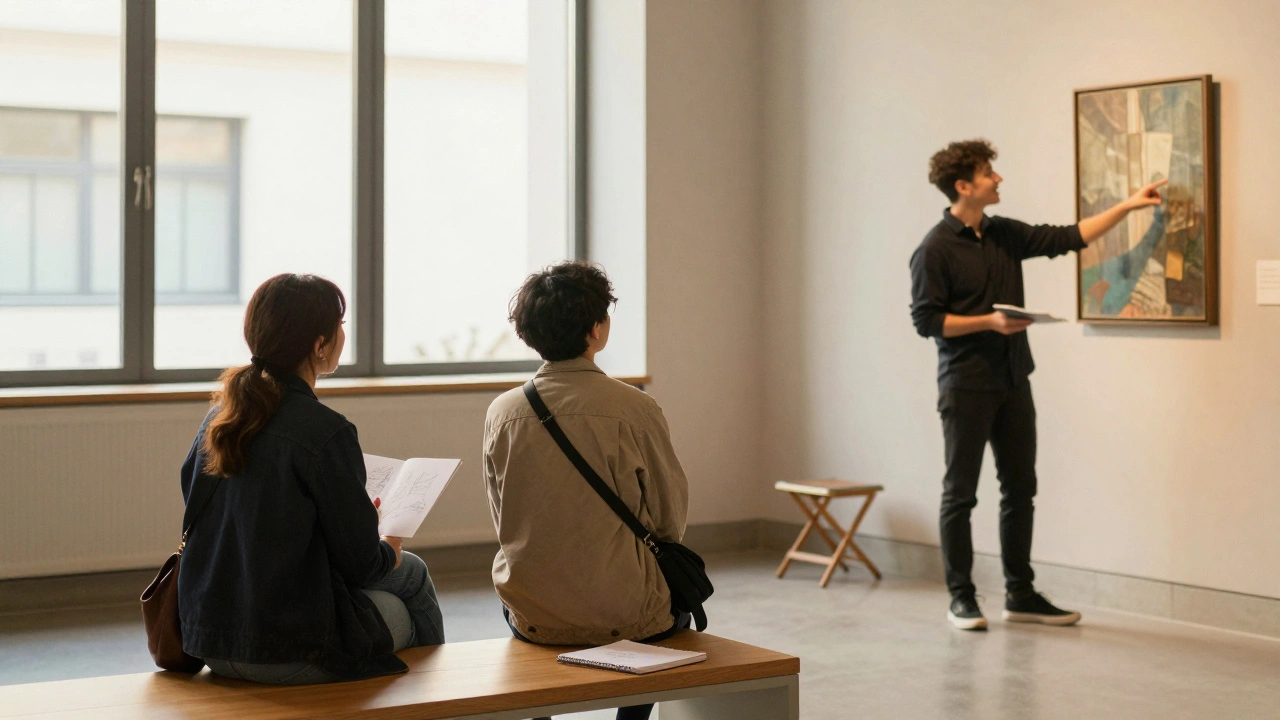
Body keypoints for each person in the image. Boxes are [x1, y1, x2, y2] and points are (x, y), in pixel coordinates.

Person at [909, 139, 1165, 631]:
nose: (998, 179)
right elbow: (927, 322)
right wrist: (989, 322)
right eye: (988, 173)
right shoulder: (934, 249)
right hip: (965, 385)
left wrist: (1130, 205)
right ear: (964, 186)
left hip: (1013, 379)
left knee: (1020, 488)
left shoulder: (1003, 234)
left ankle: (1020, 594)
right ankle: (961, 597)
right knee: (960, 493)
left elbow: (1068, 237)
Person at [177, 273, 444, 683]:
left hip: (207, 640)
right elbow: (362, 567)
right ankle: (439, 704)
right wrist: (388, 542)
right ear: (319, 345)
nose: (342, 335)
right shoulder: (325, 430)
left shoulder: (220, 417)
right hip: (288, 651)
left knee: (404, 575)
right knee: (411, 578)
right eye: (339, 327)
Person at [483, 261, 690, 720]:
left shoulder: (503, 412)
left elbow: (504, 517)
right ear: (596, 329)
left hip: (533, 612)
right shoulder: (635, 408)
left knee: (524, 607)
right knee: (679, 611)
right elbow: (669, 517)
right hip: (627, 612)